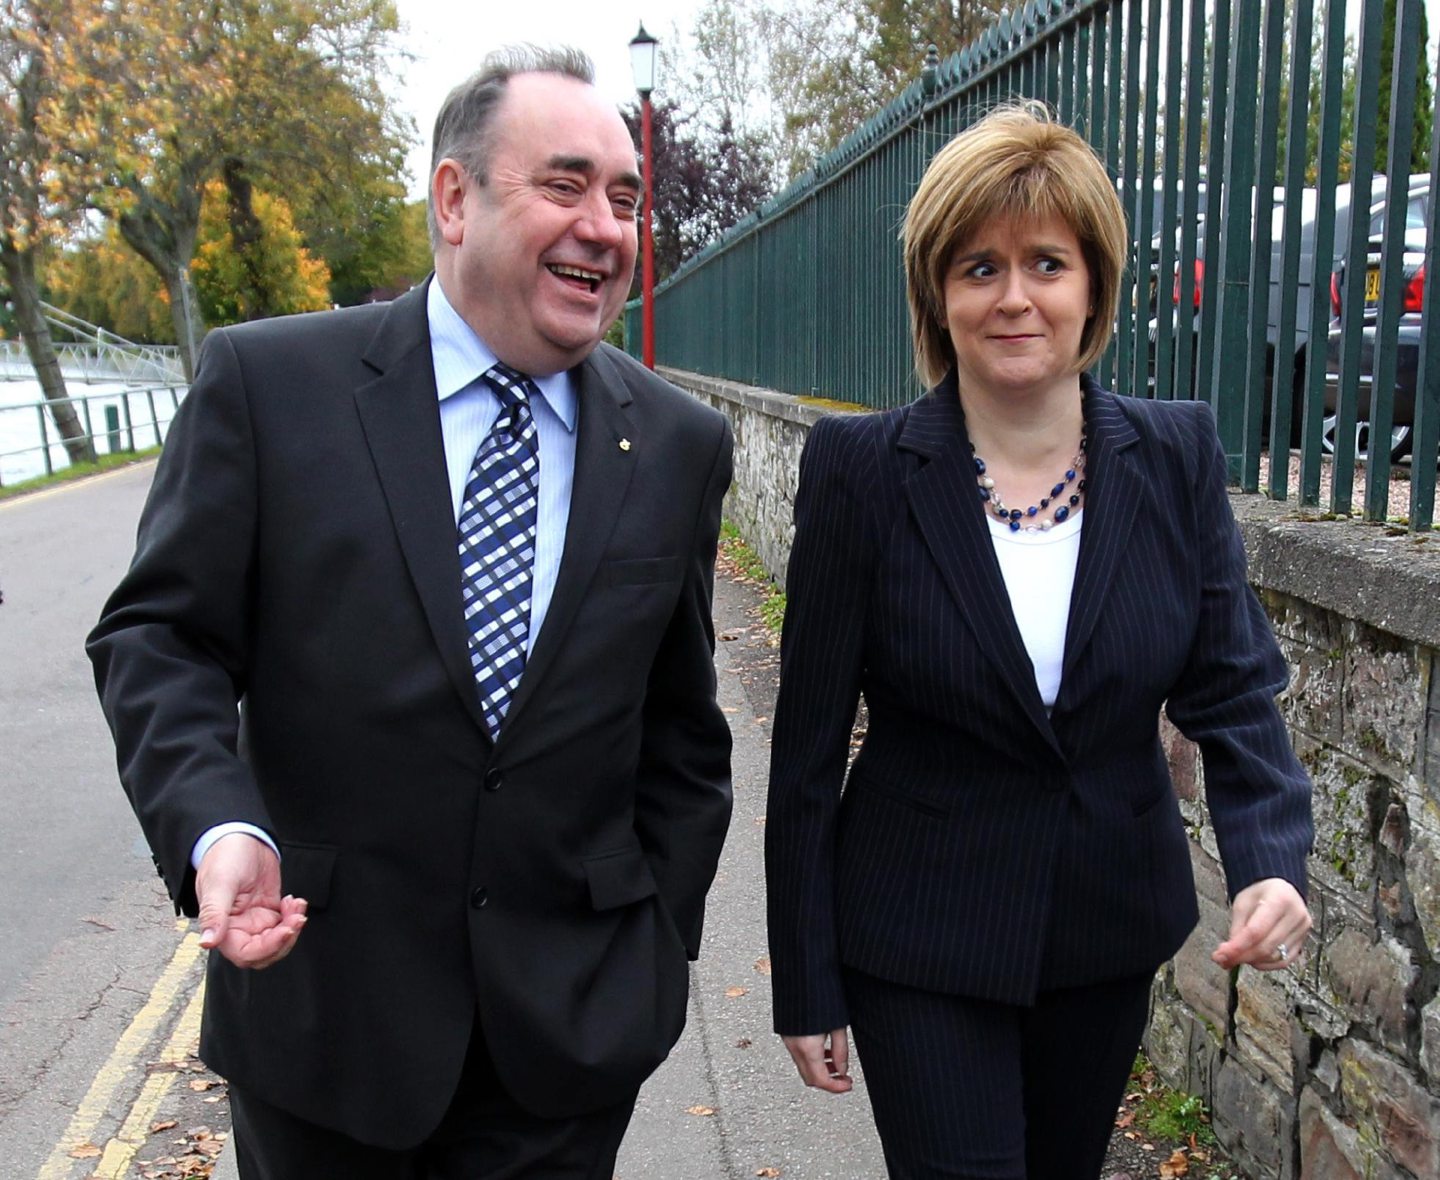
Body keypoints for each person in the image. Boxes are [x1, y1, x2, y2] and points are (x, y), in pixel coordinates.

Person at [87, 45, 734, 1179]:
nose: (607, 227)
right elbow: (160, 636)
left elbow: (681, 727)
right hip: (326, 1032)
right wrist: (217, 826)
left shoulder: (678, 443)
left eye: (627, 200)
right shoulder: (268, 386)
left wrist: (652, 944)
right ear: (453, 199)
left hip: (565, 1046)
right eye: (567, 185)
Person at [764, 102, 1313, 1180]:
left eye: (1046, 263)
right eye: (979, 266)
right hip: (917, 932)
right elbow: (807, 751)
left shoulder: (1175, 455)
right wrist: (806, 972)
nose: (1014, 295)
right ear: (938, 293)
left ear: (1093, 284)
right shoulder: (861, 471)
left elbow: (1234, 684)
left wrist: (1269, 856)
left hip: (1105, 923)